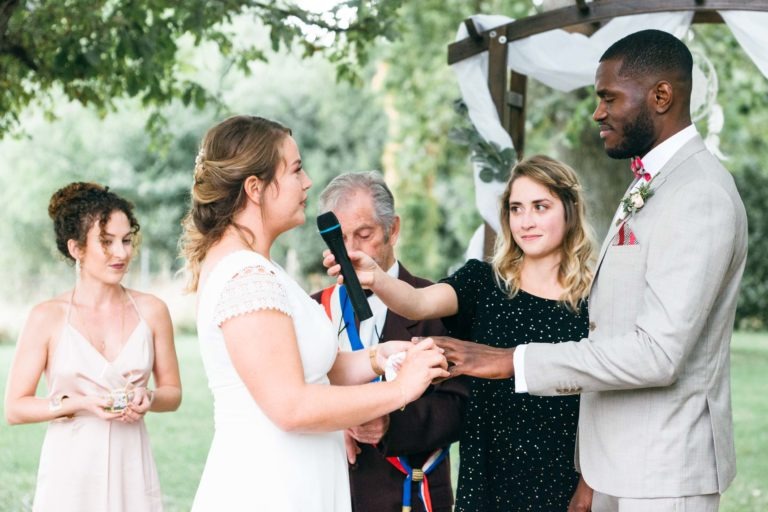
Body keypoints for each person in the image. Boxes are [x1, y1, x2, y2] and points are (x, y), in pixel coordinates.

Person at [428, 30, 748, 512]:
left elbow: (659, 354)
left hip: (663, 468)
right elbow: (611, 326)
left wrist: (510, 360)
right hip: (618, 463)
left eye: (608, 97)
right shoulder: (655, 181)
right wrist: (590, 467)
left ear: (661, 96)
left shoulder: (698, 193)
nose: (598, 112)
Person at [179, 115, 449, 512]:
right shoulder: (247, 276)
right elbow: (291, 406)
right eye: (295, 170)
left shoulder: (257, 267)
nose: (307, 183)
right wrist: (398, 389)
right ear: (255, 188)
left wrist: (380, 355)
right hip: (271, 488)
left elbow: (312, 369)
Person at [325, 156, 597, 511]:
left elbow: (605, 398)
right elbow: (417, 303)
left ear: (570, 210)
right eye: (516, 209)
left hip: (561, 474)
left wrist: (589, 484)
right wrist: (375, 276)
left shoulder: (596, 298)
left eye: (540, 207)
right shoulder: (482, 282)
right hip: (486, 474)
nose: (526, 221)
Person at [4, 182, 182, 511]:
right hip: (70, 474)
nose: (122, 252)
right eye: (107, 241)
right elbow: (15, 408)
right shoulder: (46, 317)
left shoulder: (153, 311)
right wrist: (82, 403)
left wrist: (150, 397)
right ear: (76, 249)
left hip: (132, 467)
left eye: (126, 240)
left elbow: (173, 393)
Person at [311, 171, 468, 512]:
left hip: (409, 493)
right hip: (330, 489)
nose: (350, 251)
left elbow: (459, 407)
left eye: (364, 235)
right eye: (339, 238)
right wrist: (335, 422)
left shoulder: (436, 302)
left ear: (392, 229)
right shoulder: (313, 309)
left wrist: (388, 423)